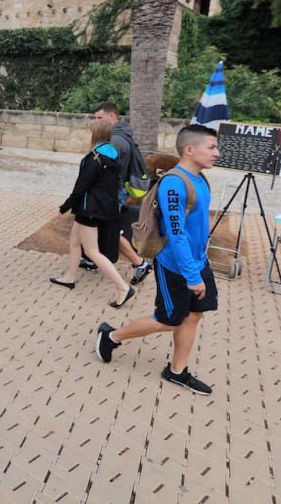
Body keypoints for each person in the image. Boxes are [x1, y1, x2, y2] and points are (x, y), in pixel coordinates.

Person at [96, 125, 221, 396]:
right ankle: (111, 336)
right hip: (177, 265)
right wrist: (191, 276)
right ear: (190, 149)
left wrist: (199, 268)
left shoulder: (200, 179)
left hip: (198, 262)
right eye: (211, 147)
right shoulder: (175, 184)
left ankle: (177, 371)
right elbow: (176, 236)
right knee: (167, 320)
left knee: (193, 316)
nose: (217, 153)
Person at [50, 120, 133, 307]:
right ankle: (70, 277)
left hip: (90, 209)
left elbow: (81, 186)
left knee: (92, 251)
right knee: (74, 240)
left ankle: (123, 287)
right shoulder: (113, 155)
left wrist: (65, 206)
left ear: (94, 134)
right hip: (99, 208)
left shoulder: (94, 157)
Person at [94, 102, 153, 285]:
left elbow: (106, 169)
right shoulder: (121, 135)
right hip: (115, 191)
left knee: (110, 231)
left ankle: (139, 263)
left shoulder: (116, 140)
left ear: (112, 117)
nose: (96, 122)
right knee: (95, 226)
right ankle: (91, 257)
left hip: (112, 192)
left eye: (99, 118)